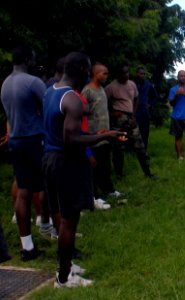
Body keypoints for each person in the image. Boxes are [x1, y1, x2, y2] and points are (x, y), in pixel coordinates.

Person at [43, 52, 127, 288]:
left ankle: (66, 266)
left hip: (48, 158)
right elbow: (71, 139)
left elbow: (56, 127)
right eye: (88, 69)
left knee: (60, 215)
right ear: (81, 71)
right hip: (66, 162)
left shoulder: (50, 91)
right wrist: (106, 136)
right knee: (70, 221)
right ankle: (63, 279)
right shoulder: (73, 99)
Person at [0, 45, 48, 261]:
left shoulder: (5, 84)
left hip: (16, 140)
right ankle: (49, 227)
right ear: (28, 59)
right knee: (47, 186)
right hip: (34, 139)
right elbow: (49, 108)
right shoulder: (32, 82)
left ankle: (27, 246)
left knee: (23, 191)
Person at [81, 63, 123, 207]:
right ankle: (93, 196)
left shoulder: (102, 90)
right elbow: (82, 116)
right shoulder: (87, 91)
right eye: (104, 73)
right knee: (93, 167)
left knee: (105, 165)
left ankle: (108, 190)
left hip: (105, 135)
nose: (106, 76)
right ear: (95, 74)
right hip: (93, 137)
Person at [106, 63, 155, 178]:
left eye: (127, 72)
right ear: (118, 74)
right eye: (123, 73)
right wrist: (112, 113)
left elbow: (136, 98)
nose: (126, 75)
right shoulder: (110, 87)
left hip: (131, 119)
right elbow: (104, 103)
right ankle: (119, 174)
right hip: (118, 122)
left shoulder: (132, 84)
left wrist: (133, 113)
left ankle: (148, 173)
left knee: (140, 147)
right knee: (119, 149)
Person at [133, 66, 158, 150]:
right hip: (134, 111)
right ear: (137, 74)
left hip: (144, 111)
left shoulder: (147, 84)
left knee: (145, 131)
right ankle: (132, 150)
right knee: (133, 131)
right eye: (140, 74)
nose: (142, 75)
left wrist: (150, 104)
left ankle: (144, 149)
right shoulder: (132, 83)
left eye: (143, 74)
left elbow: (154, 96)